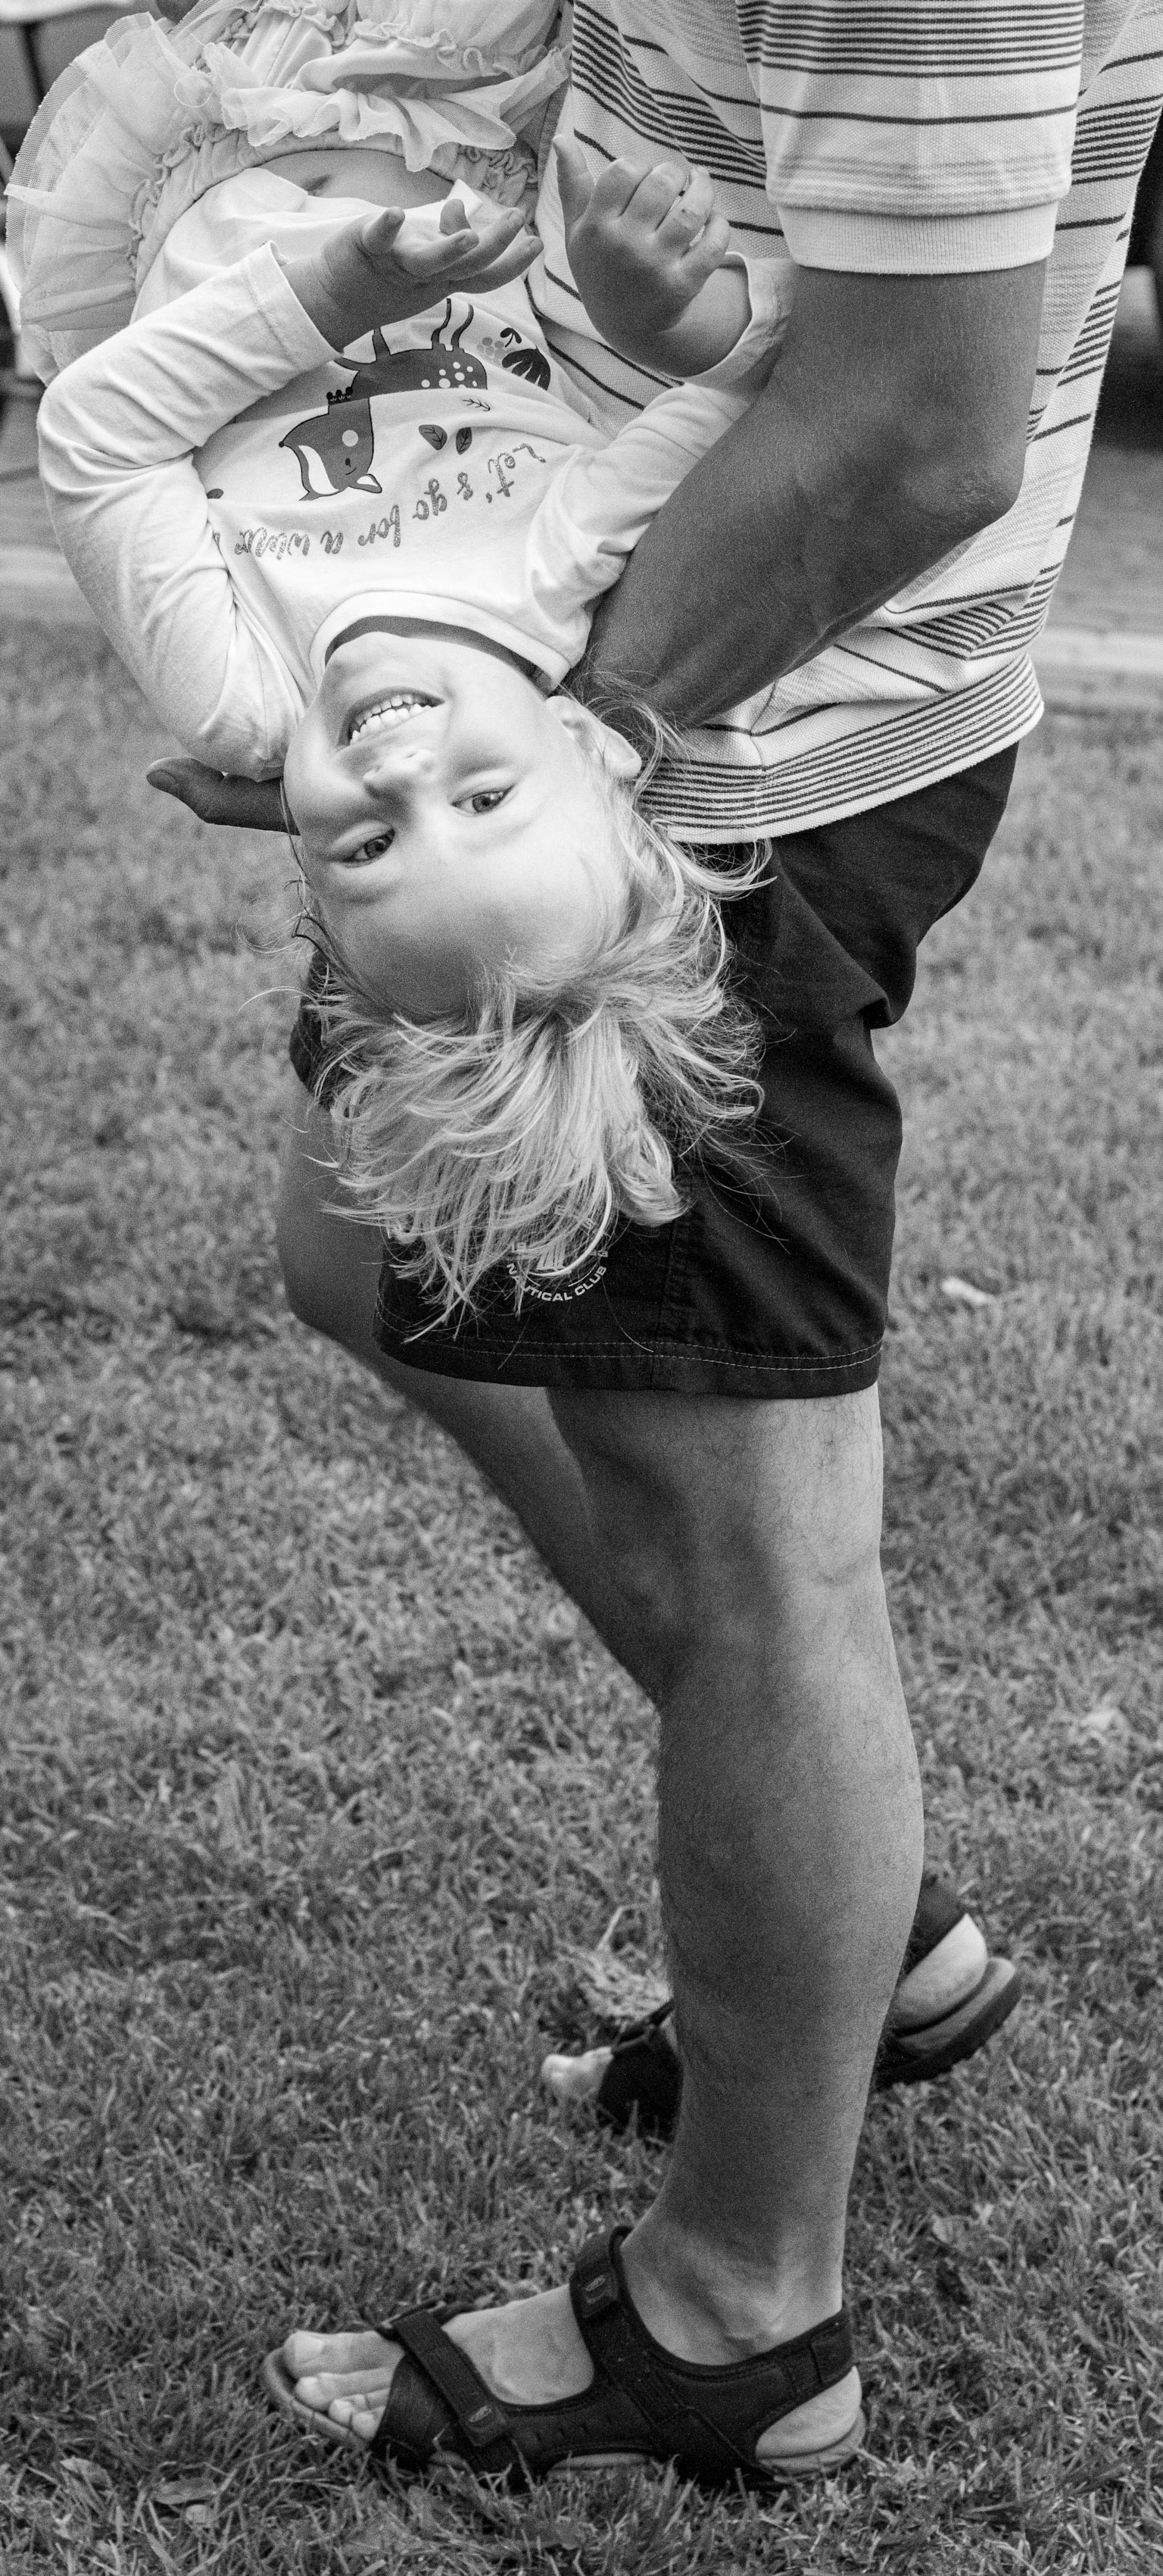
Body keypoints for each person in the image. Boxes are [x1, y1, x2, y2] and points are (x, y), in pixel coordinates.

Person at [256, 0, 1163, 2488]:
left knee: (749, 1542)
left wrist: (534, 747)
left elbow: (914, 422)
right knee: (365, 1250)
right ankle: (863, 1932)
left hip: (724, 767)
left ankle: (742, 2310)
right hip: (594, 695)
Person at [12, 0, 811, 1317]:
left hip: (210, 140)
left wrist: (332, 296)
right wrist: (670, 317)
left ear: (311, 885)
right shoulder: (551, 574)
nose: (399, 775)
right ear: (588, 743)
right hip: (454, 96)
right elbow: (760, 383)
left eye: (371, 845)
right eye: (484, 798)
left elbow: (98, 439)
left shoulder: (245, 693)